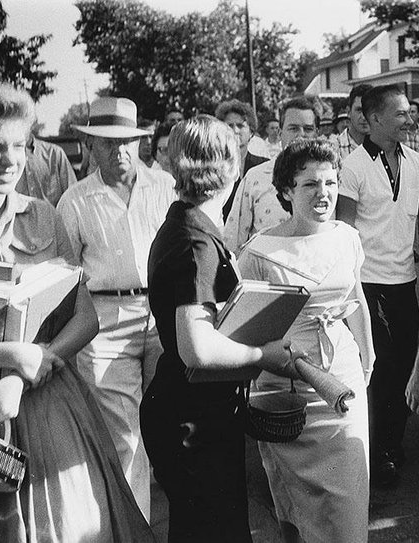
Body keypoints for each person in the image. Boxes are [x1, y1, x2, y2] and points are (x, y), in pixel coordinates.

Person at [0, 82, 153, 542]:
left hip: (48, 397)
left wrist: (31, 365)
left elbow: (85, 317)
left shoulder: (42, 216)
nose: (10, 159)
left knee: (76, 524)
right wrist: (11, 356)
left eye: (19, 145)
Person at [141, 115, 297, 542]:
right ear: (232, 166)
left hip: (192, 410)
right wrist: (263, 356)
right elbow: (198, 349)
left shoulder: (191, 227)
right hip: (192, 420)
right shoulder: (195, 240)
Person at [238, 138, 375, 543]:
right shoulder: (259, 252)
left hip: (344, 379)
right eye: (310, 185)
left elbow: (357, 300)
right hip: (287, 384)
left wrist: (367, 363)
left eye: (331, 183)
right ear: (285, 191)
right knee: (297, 507)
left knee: (349, 498)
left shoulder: (347, 237)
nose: (324, 194)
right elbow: (247, 327)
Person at [59, 96, 177, 518]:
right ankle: (136, 530)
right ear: (90, 144)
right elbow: (67, 277)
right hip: (106, 322)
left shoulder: (166, 186)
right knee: (124, 437)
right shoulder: (73, 202)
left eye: (127, 141)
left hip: (163, 314)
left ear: (140, 141)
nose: (119, 151)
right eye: (107, 142)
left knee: (172, 424)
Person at [337, 84, 419, 486]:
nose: (408, 119)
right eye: (399, 114)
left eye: (409, 112)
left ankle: (391, 442)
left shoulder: (415, 162)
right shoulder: (353, 167)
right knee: (380, 368)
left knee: (406, 368)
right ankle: (380, 452)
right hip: (368, 283)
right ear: (374, 119)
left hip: (406, 281)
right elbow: (345, 228)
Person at [224, 97, 319, 253]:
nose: (301, 135)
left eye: (308, 129)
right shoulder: (256, 177)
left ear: (316, 132)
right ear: (281, 133)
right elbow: (233, 240)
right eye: (293, 128)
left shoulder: (330, 181)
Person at [18, 134, 77, 207]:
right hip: (19, 217)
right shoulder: (4, 158)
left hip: (52, 217)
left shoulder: (55, 153)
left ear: (32, 122)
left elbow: (73, 196)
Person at [334, 84, 372, 160]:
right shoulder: (334, 149)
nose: (364, 117)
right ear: (348, 112)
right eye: (359, 110)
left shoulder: (386, 148)